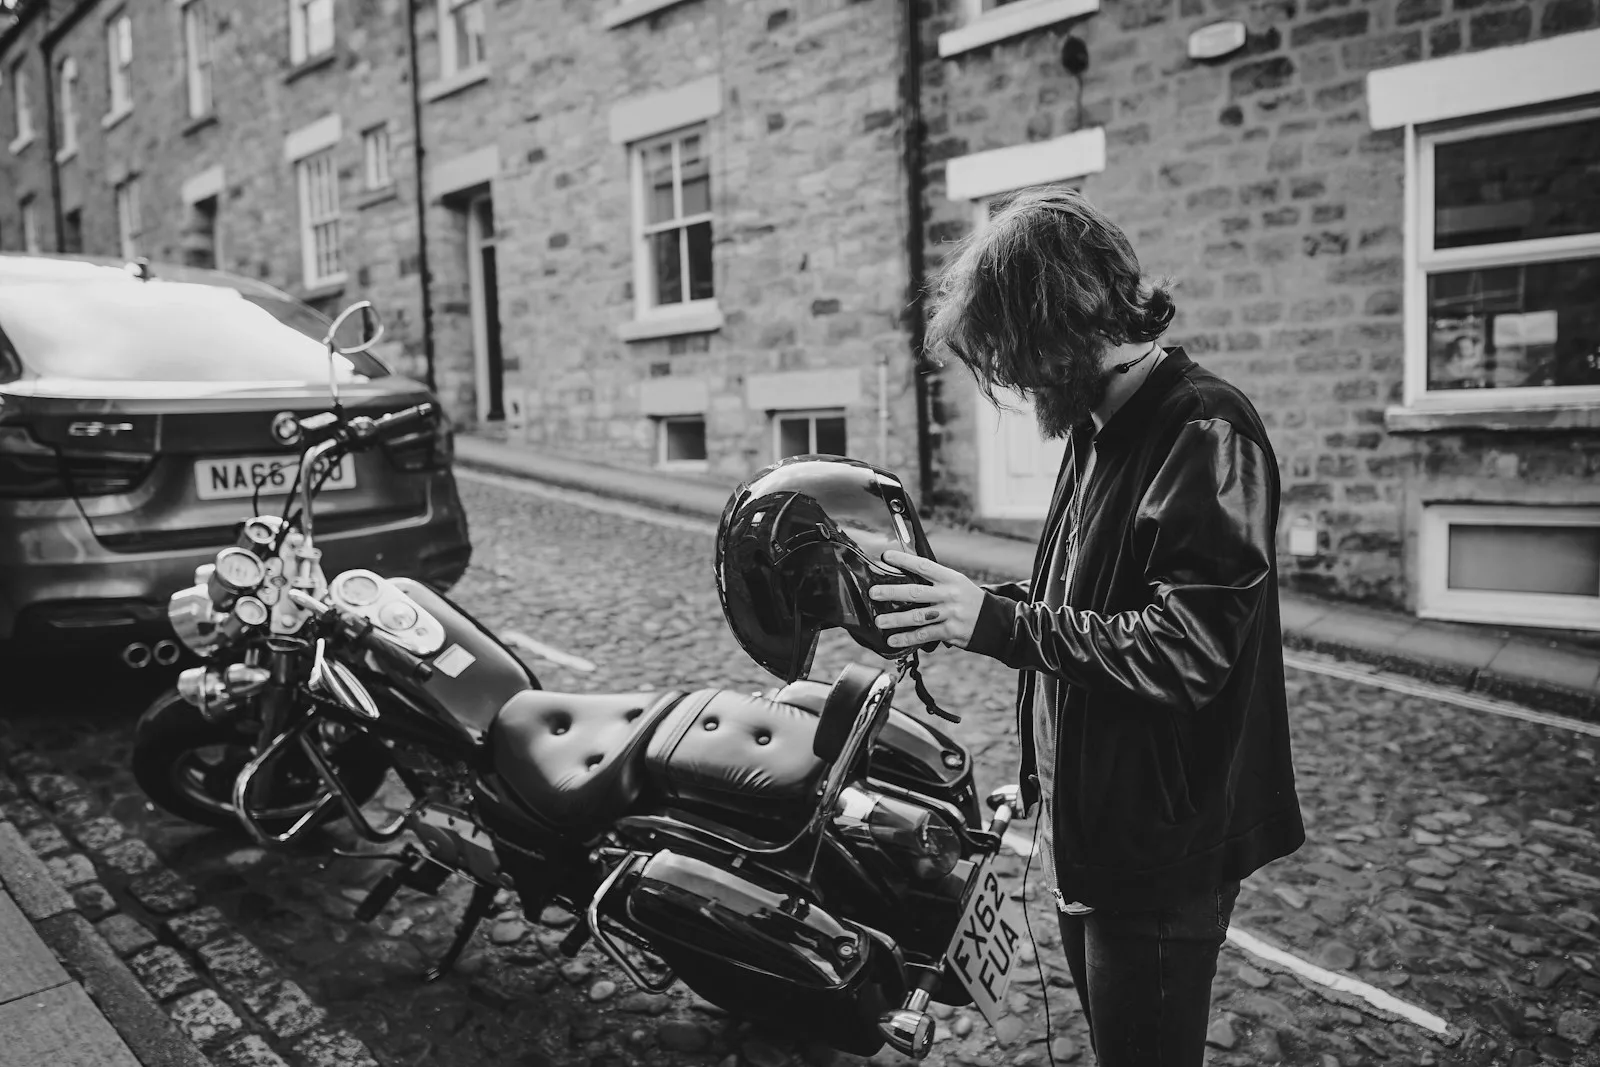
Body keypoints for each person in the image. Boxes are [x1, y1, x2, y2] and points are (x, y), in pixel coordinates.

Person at [867, 187, 1305, 1066]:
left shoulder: (1205, 428)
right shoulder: (1097, 426)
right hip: (1094, 829)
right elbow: (1081, 594)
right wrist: (956, 603)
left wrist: (996, 623)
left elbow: (1187, 650)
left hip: (1160, 849)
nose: (1015, 381)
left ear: (1063, 323)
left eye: (1015, 356)